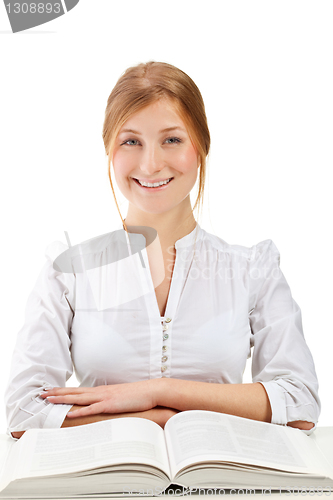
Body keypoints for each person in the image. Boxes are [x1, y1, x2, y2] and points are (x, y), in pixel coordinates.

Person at [5, 61, 320, 440]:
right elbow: (23, 411)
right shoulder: (69, 271)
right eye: (131, 141)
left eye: (171, 139)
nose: (151, 164)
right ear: (109, 149)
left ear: (201, 146)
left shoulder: (253, 269)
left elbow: (300, 404)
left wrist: (159, 391)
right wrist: (156, 418)